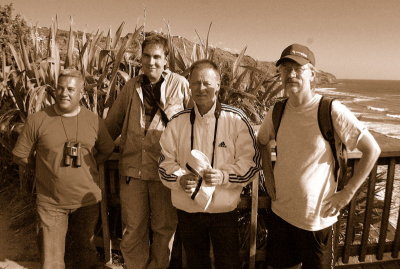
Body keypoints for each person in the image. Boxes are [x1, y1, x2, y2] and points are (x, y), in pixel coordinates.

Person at [257, 44, 381, 269]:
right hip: (281, 212)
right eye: (285, 68)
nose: (291, 74)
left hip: (316, 219)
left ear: (312, 74)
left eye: (298, 68)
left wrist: (347, 193)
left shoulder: (330, 109)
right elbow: (262, 141)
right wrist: (269, 177)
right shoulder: (277, 110)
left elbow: (372, 150)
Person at [158, 59, 261, 269]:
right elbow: (163, 163)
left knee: (228, 263)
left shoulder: (236, 119)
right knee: (195, 263)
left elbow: (251, 161)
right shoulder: (177, 122)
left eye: (206, 83)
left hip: (223, 212)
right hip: (189, 211)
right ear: (189, 86)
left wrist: (223, 176)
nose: (201, 88)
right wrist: (180, 179)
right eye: (195, 83)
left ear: (218, 85)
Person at [12, 69, 115, 269]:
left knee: (84, 258)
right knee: (51, 262)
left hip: (87, 202)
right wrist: (44, 169)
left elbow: (106, 150)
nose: (63, 93)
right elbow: (20, 155)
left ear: (81, 94)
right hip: (51, 202)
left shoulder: (93, 121)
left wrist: (87, 169)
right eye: (60, 88)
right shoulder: (37, 120)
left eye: (70, 89)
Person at [105, 34, 191, 269]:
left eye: (156, 57)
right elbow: (112, 124)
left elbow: (197, 123)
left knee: (164, 228)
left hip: (166, 171)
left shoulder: (180, 85)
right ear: (140, 57)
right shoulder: (131, 87)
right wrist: (93, 149)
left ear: (166, 60)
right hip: (134, 170)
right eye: (146, 56)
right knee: (133, 229)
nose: (151, 62)